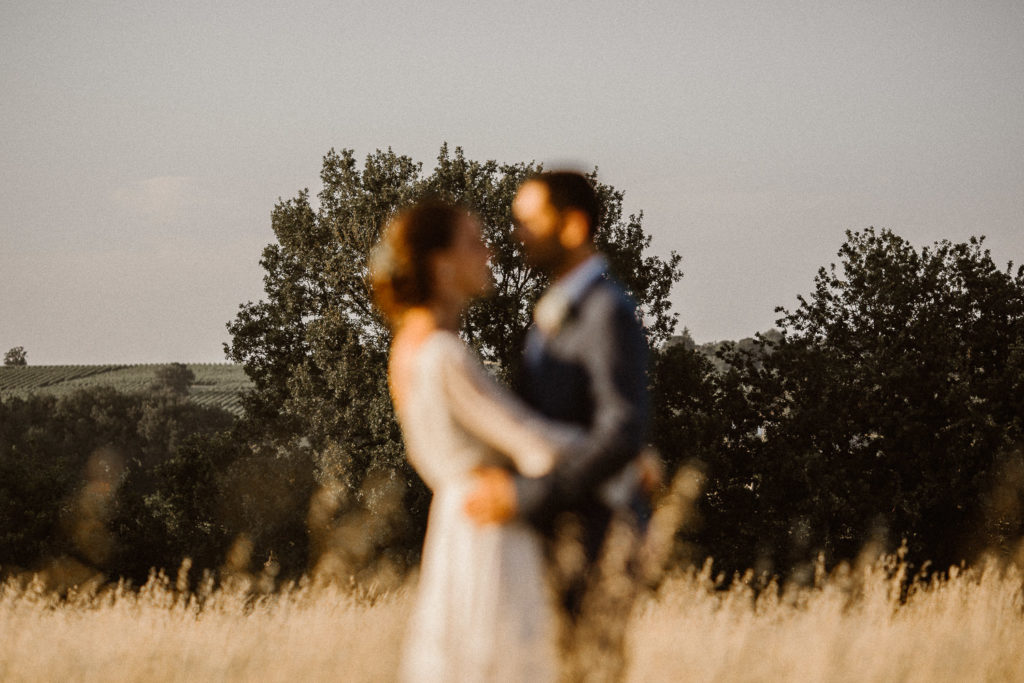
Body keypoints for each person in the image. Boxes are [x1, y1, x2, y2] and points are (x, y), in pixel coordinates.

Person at [370, 199, 580, 682]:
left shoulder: (406, 349)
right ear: (440, 263)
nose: (490, 254)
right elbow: (537, 444)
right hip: (491, 528)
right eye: (473, 243)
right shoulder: (444, 356)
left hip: (453, 524)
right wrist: (621, 453)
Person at [464, 171, 652, 678]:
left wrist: (526, 497)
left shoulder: (604, 311)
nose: (517, 233)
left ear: (571, 225)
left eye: (530, 220)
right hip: (558, 530)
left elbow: (621, 431)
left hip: (597, 533)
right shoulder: (557, 309)